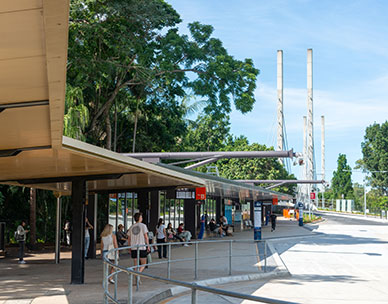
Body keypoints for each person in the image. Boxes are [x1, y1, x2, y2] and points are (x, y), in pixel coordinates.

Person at [127, 212, 150, 279]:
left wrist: (129, 248)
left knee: (135, 265)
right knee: (144, 263)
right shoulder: (143, 226)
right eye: (141, 217)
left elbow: (129, 239)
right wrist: (148, 245)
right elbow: (146, 237)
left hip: (133, 248)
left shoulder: (131, 227)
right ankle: (138, 274)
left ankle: (136, 276)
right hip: (141, 247)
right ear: (140, 218)